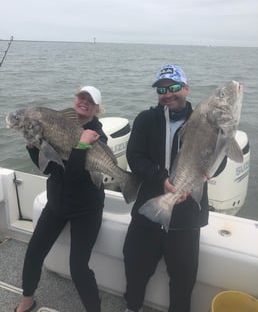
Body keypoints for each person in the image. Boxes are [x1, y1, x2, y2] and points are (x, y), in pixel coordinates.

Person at [123, 64, 227, 312]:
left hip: (187, 215)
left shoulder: (205, 121)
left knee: (183, 280)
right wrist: (162, 179)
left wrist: (193, 181)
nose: (168, 93)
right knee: (134, 266)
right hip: (149, 208)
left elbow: (217, 166)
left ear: (187, 89)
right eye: (161, 88)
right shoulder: (145, 120)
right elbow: (134, 157)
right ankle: (131, 307)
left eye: (174, 87)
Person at [14, 86, 107, 312]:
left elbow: (74, 176)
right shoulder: (55, 124)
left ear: (96, 108)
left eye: (90, 101)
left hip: (87, 209)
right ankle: (27, 299)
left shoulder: (97, 135)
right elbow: (49, 170)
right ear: (75, 100)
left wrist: (83, 145)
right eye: (81, 97)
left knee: (78, 266)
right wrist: (32, 146)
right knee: (34, 251)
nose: (83, 102)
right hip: (57, 203)